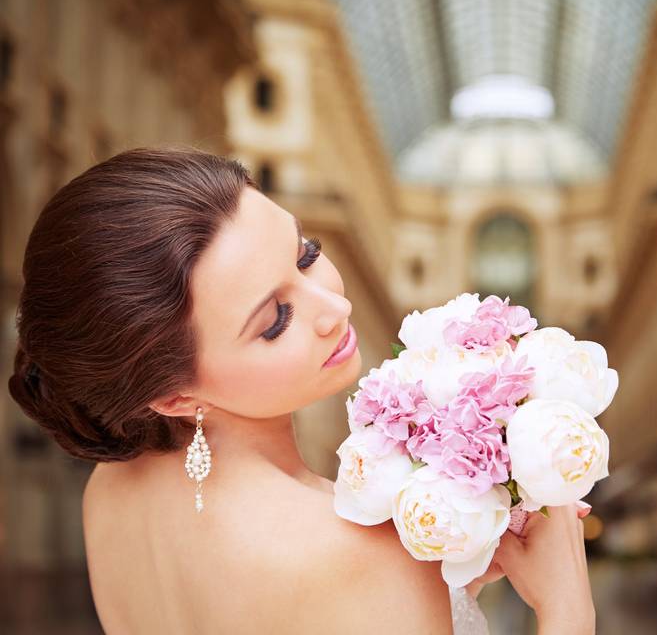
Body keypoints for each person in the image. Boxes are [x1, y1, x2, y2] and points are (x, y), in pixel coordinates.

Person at [7, 147, 596, 634]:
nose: (334, 308)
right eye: (274, 321)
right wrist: (566, 605)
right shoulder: (359, 554)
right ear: (173, 398)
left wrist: (454, 576)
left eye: (306, 255)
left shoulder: (110, 490)